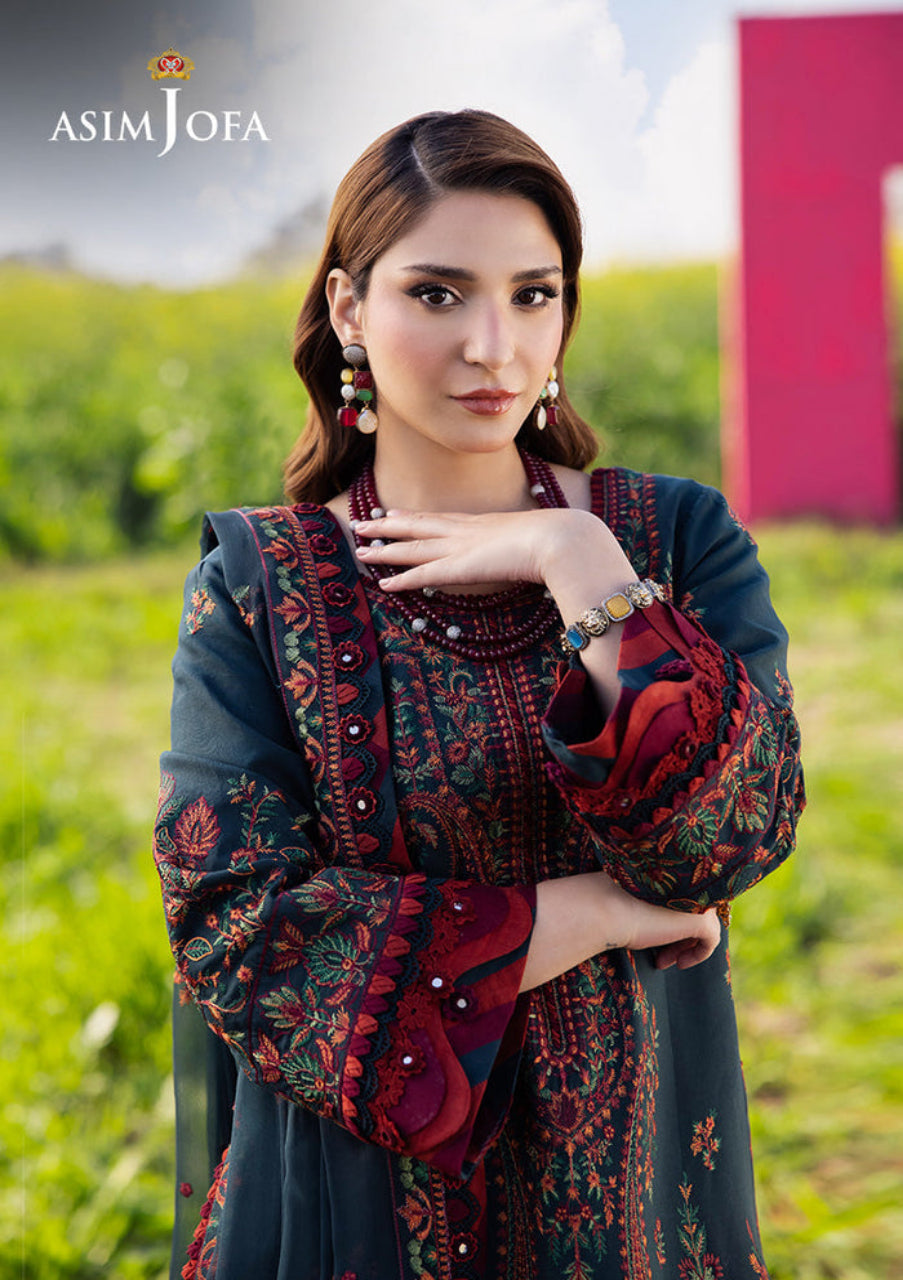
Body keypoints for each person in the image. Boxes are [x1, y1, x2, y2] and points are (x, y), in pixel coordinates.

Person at [153, 109, 804, 1280]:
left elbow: (728, 840)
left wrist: (581, 566)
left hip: (638, 1204)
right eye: (440, 293)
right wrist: (598, 914)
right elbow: (240, 930)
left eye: (534, 293)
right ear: (350, 307)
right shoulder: (261, 584)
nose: (493, 348)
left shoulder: (675, 540)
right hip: (353, 1214)